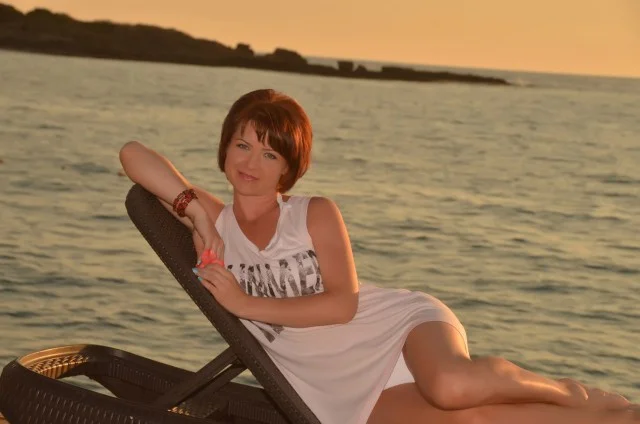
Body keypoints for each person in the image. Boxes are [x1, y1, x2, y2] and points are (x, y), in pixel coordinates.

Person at [120, 88, 638, 424]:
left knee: (451, 386)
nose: (251, 162)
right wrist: (196, 211)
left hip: (395, 330)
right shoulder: (216, 222)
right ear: (224, 149)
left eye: (270, 152)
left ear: (288, 168)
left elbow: (342, 304)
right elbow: (132, 154)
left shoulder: (314, 213)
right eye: (242, 145)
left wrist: (246, 304)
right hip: (337, 390)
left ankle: (567, 393)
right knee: (470, 421)